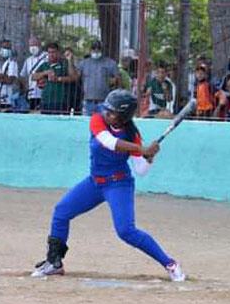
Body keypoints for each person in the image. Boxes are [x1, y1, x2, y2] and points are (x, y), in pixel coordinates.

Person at [31, 89, 185, 282]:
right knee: (62, 212)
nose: (107, 114)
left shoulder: (132, 136)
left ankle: (170, 263)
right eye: (107, 110)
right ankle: (54, 262)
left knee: (126, 231)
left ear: (123, 116)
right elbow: (108, 142)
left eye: (112, 112)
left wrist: (150, 156)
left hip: (118, 184)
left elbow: (141, 170)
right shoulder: (98, 119)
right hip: (95, 182)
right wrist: (141, 149)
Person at [77, 40, 119, 116]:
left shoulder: (110, 63)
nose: (96, 50)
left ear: (101, 49)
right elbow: (76, 77)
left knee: (103, 124)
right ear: (90, 49)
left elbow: (118, 79)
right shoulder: (83, 63)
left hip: (104, 101)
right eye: (94, 48)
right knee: (86, 123)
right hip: (88, 101)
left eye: (98, 48)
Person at [36, 43, 77, 114]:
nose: (51, 54)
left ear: (58, 52)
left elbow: (74, 77)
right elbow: (33, 76)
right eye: (49, 52)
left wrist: (58, 79)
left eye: (53, 52)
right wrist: (45, 73)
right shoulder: (45, 65)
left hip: (61, 101)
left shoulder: (65, 63)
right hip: (46, 101)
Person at [21, 37, 48, 111]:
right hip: (32, 95)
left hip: (44, 94)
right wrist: (26, 87)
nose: (33, 48)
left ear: (40, 45)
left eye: (35, 45)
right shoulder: (28, 60)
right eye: (31, 46)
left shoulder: (47, 56)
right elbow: (23, 75)